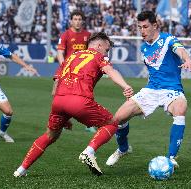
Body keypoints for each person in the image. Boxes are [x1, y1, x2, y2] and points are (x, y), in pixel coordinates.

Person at [13, 32, 134, 177]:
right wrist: (125, 86)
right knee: (112, 123)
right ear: (99, 45)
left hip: (59, 101)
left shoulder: (71, 57)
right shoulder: (98, 56)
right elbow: (110, 71)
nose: (107, 53)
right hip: (79, 101)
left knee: (50, 135)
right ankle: (89, 152)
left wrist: (65, 114)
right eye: (107, 50)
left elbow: (56, 84)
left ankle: (21, 170)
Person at [105, 11, 191, 168]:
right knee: (118, 118)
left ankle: (171, 157)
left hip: (171, 89)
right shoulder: (144, 48)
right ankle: (123, 149)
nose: (142, 31)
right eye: (139, 27)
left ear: (155, 25)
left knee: (180, 109)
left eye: (145, 27)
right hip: (151, 90)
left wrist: (187, 59)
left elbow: (179, 49)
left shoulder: (168, 39)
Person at [56, 10, 96, 133]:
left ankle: (89, 124)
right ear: (71, 21)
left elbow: (92, 52)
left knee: (86, 97)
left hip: (82, 72)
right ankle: (63, 122)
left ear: (82, 21)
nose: (77, 22)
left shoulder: (88, 35)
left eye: (79, 19)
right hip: (67, 71)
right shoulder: (65, 35)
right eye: (75, 19)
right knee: (59, 96)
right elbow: (59, 52)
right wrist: (64, 67)